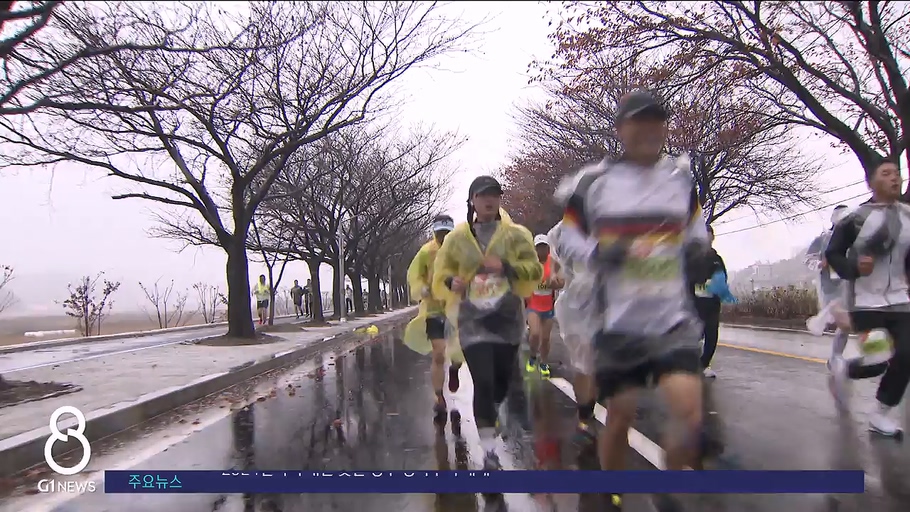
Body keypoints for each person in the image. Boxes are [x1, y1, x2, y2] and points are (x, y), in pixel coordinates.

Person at [556, 90, 711, 511]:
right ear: (621, 129)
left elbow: (697, 231)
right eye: (638, 123)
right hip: (616, 323)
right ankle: (611, 489)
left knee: (690, 415)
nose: (648, 131)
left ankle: (668, 483)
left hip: (671, 322)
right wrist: (598, 253)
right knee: (620, 414)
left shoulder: (681, 181)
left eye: (656, 123)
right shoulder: (595, 185)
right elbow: (565, 238)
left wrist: (700, 253)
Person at [433, 175, 542, 473]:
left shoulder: (516, 235)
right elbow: (441, 272)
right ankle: (489, 451)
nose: (488, 200)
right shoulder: (457, 239)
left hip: (506, 321)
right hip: (473, 323)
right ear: (472, 201)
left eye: (494, 194)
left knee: (500, 384)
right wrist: (450, 281)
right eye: (482, 196)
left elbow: (534, 269)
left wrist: (505, 267)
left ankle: (496, 411)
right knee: (483, 381)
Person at [824, 158, 910, 438]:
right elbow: (833, 252)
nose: (894, 179)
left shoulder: (908, 216)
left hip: (900, 299)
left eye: (897, 173)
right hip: (865, 301)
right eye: (886, 174)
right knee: (878, 360)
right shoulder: (856, 218)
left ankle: (880, 413)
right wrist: (853, 268)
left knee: (907, 355)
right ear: (872, 182)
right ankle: (844, 368)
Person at [403, 214, 464, 422]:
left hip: (456, 309)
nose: (443, 237)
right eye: (440, 233)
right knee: (438, 353)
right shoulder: (426, 252)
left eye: (447, 233)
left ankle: (455, 369)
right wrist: (422, 289)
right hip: (433, 310)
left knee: (458, 353)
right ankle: (439, 397)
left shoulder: (460, 251)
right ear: (434, 232)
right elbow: (414, 276)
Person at [548, 220, 599, 443]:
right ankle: (584, 411)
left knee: (597, 362)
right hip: (576, 306)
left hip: (607, 305)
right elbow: (556, 268)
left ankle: (590, 406)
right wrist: (556, 278)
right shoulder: (562, 231)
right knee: (583, 362)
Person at [804, 205, 850, 369]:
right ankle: (835, 358)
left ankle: (836, 357)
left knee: (849, 323)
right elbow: (808, 259)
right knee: (844, 322)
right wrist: (820, 264)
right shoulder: (823, 240)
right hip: (830, 287)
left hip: (851, 285)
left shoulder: (855, 238)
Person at [689, 224, 733, 378]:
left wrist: (718, 286)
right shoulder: (692, 258)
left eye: (710, 234)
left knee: (712, 334)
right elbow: (687, 278)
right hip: (695, 304)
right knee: (694, 335)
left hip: (712, 304)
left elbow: (723, 277)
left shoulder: (717, 259)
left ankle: (704, 364)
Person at [525, 234, 561, 377]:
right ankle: (533, 356)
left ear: (548, 248)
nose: (541, 251)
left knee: (545, 339)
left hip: (548, 305)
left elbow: (562, 281)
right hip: (534, 304)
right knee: (534, 334)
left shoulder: (553, 263)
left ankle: (544, 362)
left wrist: (555, 283)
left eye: (544, 247)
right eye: (538, 248)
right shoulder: (531, 265)